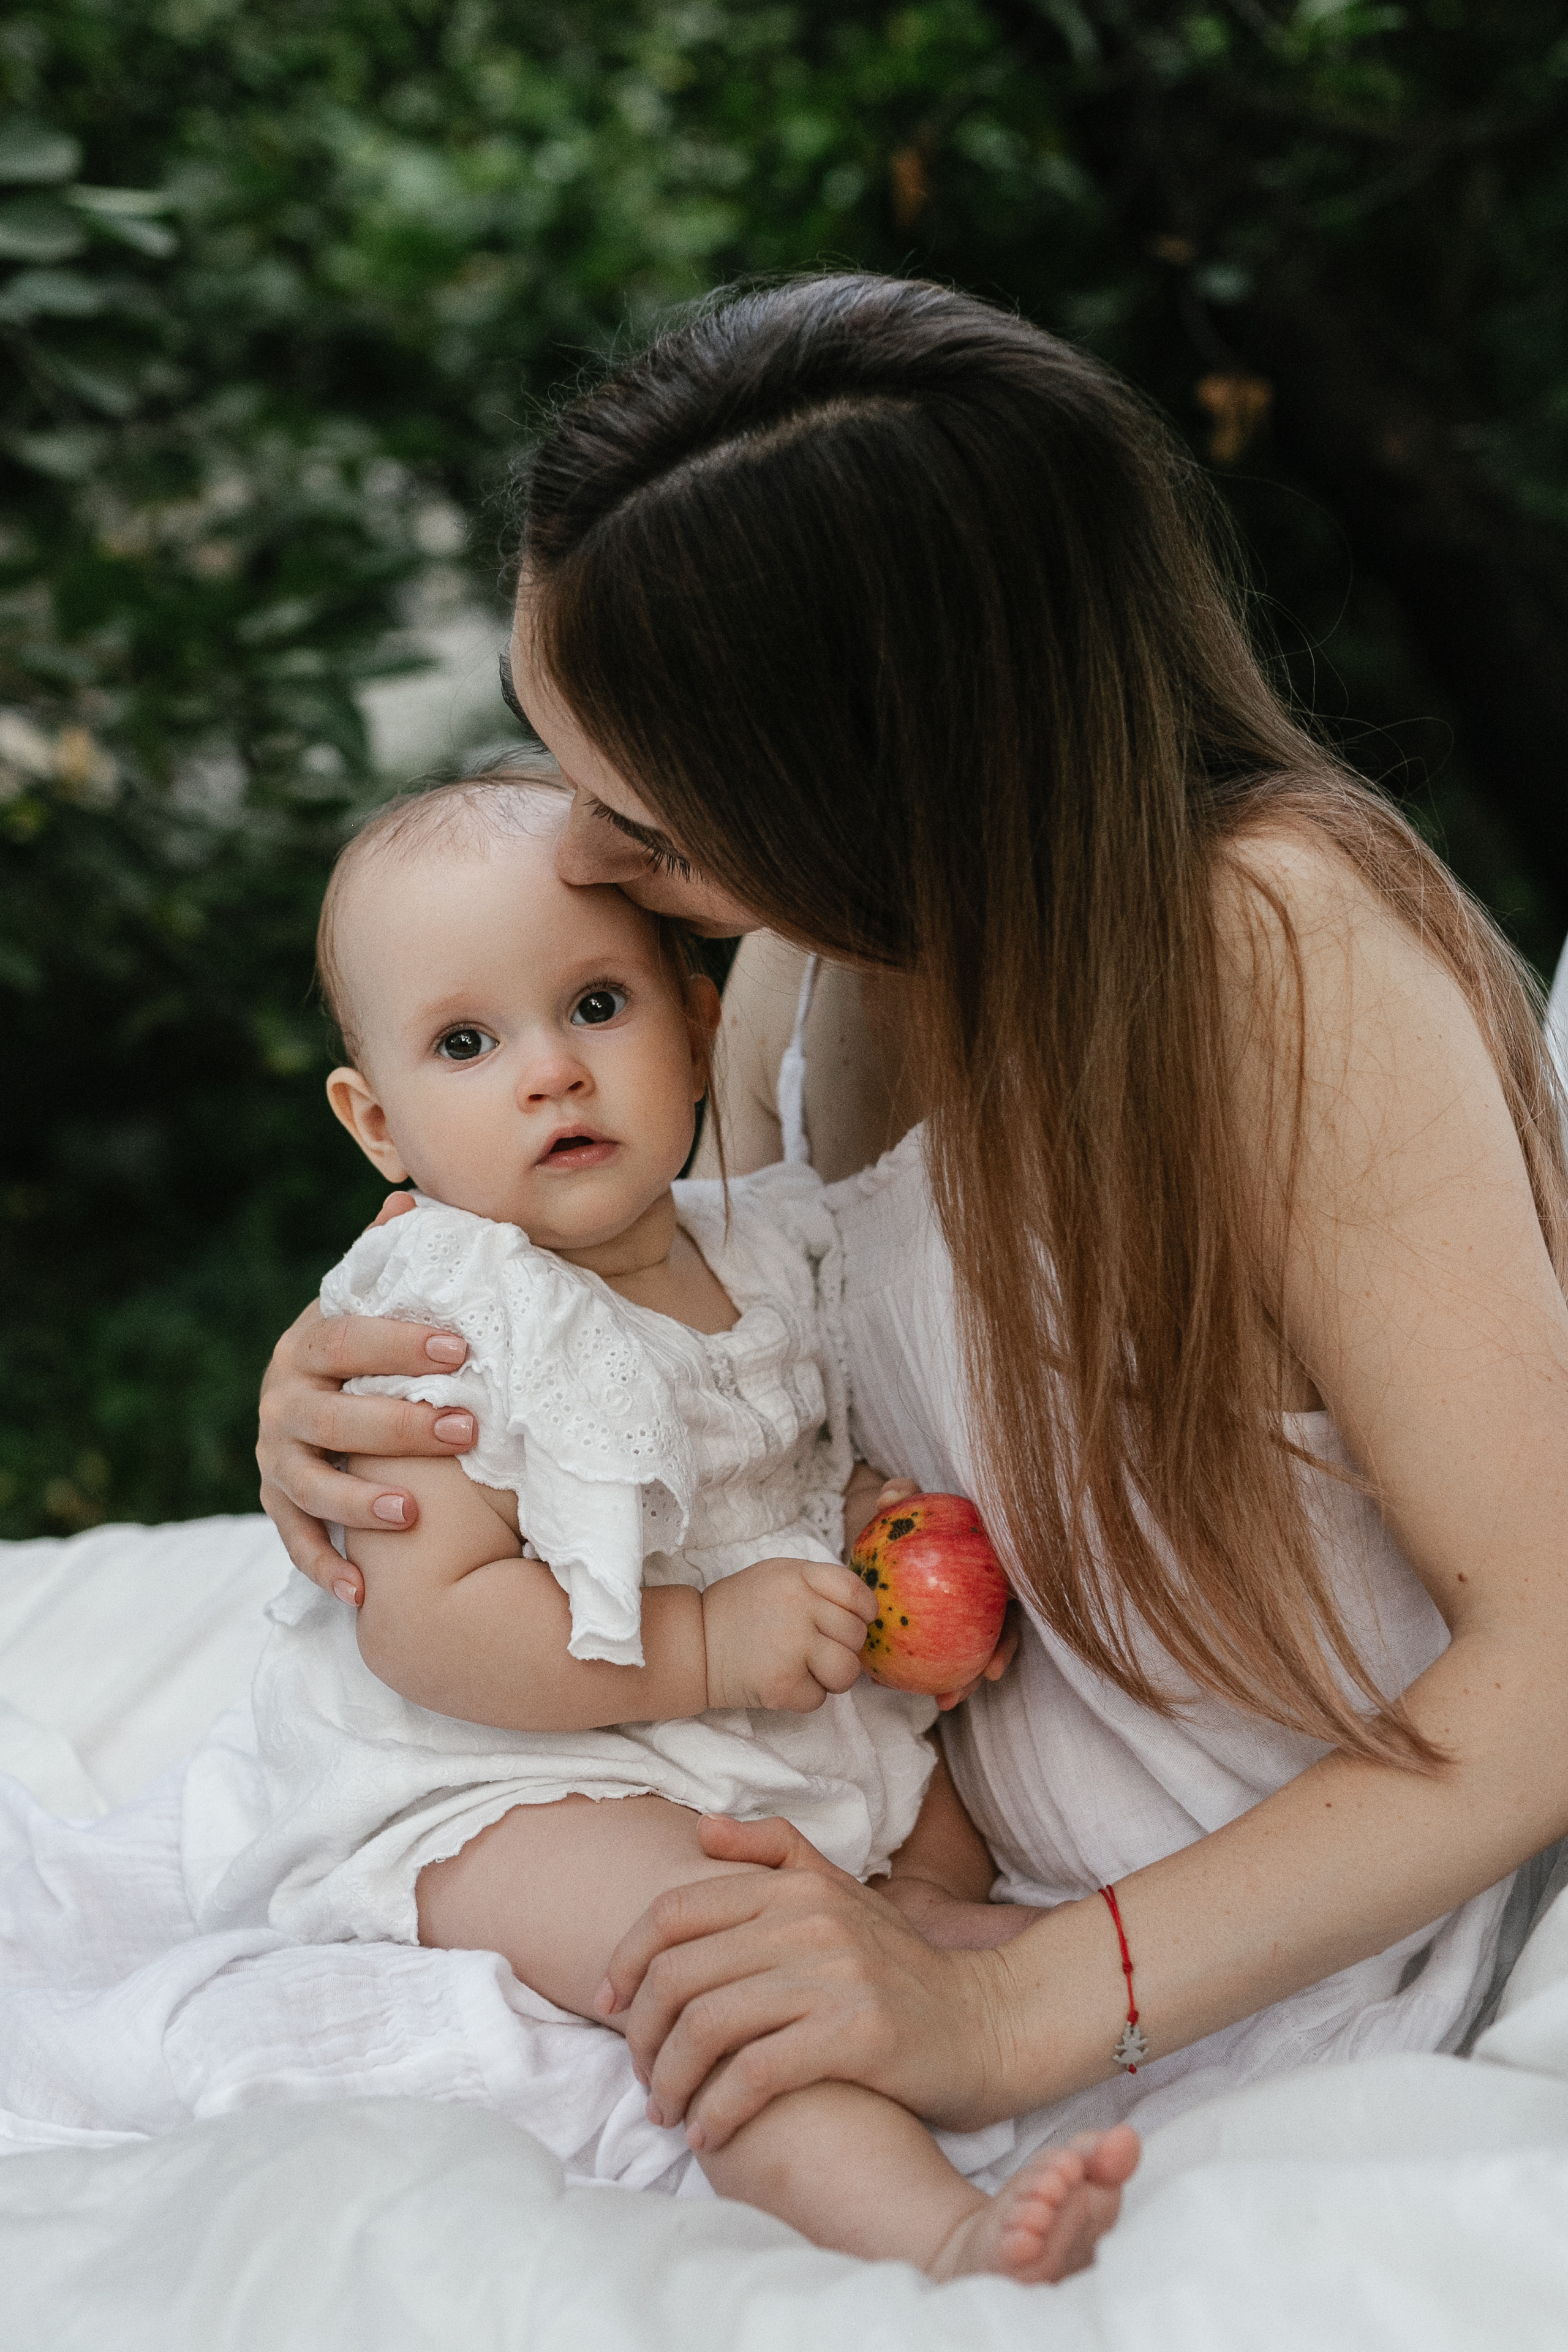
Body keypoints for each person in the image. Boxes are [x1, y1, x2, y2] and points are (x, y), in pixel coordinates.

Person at [256, 274, 1568, 2179]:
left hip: (1224, 1952)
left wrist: (1018, 2005)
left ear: (887, 774)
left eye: (650, 819)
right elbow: (676, 1344)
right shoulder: (815, 967)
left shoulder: (1264, 958)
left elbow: (1547, 1647)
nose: (592, 867)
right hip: (909, 1864)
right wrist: (345, 1399)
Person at [189, 767, 1137, 2280]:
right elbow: (434, 1631)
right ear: (377, 1124)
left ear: (698, 1027)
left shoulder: (762, 1247)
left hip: (735, 1715)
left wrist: (866, 1523)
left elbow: (779, 1457)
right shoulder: (445, 1319)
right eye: (465, 1043)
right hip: (501, 1773)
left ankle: (930, 1929)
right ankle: (937, 2235)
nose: (549, 1074)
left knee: (945, 1820)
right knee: (719, 1958)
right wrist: (704, 1643)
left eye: (594, 1008)